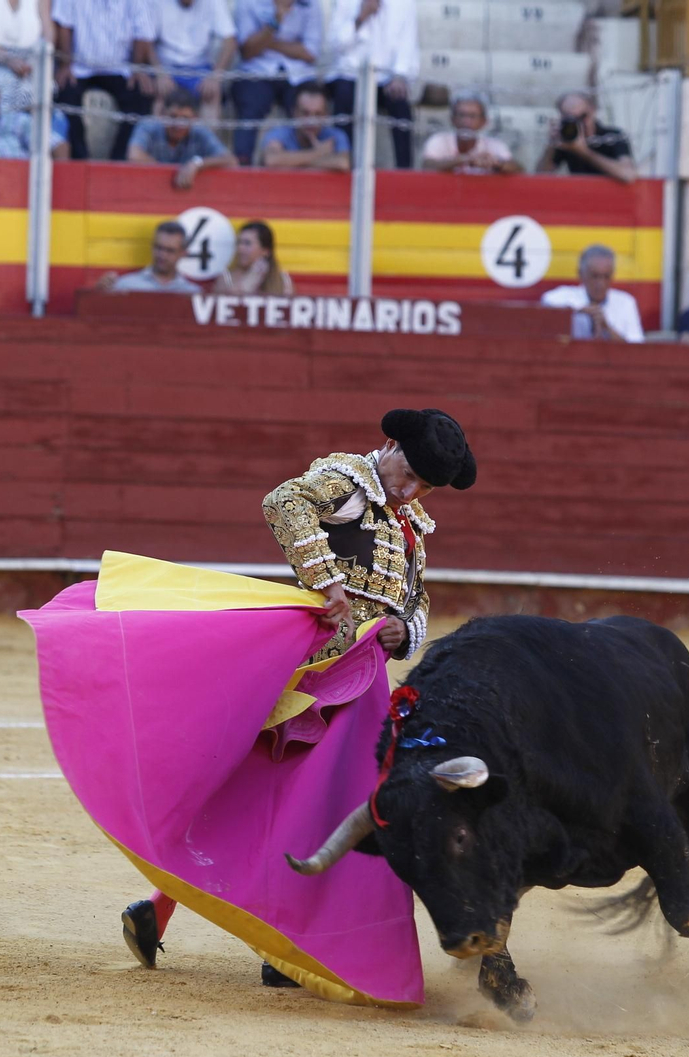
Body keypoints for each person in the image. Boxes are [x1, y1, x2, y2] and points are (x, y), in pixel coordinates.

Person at [118, 407, 477, 985]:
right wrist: (328, 581)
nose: (409, 491)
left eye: (424, 486)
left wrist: (402, 629)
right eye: (407, 474)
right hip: (310, 670)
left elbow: (417, 600)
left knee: (323, 802)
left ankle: (264, 942)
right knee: (276, 791)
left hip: (363, 681)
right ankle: (168, 913)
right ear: (388, 445)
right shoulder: (347, 482)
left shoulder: (411, 527)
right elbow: (282, 501)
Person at [52, 0, 158, 161]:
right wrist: (65, 64)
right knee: (64, 91)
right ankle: (80, 158)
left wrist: (137, 67)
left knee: (140, 94)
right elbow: (64, 26)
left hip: (119, 67)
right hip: (80, 67)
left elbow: (142, 31)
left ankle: (119, 159)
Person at [325, 0, 418, 169]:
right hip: (349, 74)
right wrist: (361, 17)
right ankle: (344, 165)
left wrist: (399, 75)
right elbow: (336, 45)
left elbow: (408, 43)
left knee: (400, 104)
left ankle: (405, 171)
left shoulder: (405, 3)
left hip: (387, 78)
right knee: (343, 96)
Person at [231, 0, 323, 165]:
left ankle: (314, 165)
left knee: (312, 106)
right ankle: (241, 166)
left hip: (298, 73)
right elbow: (247, 51)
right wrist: (275, 22)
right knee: (250, 106)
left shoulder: (311, 3)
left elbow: (310, 53)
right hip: (257, 71)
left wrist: (266, 42)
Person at [126, 88, 235, 190]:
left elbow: (230, 161)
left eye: (185, 118)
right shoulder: (149, 125)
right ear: (163, 114)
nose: (178, 124)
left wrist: (197, 164)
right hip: (148, 189)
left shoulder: (199, 131)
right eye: (173, 116)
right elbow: (134, 156)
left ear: (194, 119)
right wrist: (168, 175)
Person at [153, 0, 237, 127]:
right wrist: (159, 73)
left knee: (212, 93)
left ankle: (207, 145)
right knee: (161, 94)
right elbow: (145, 40)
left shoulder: (214, 3)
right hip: (166, 67)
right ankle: (157, 145)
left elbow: (230, 42)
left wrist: (216, 76)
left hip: (200, 68)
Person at [541, 245, 644, 343]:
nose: (601, 284)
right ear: (580, 274)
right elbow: (547, 302)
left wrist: (606, 328)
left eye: (606, 276)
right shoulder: (565, 296)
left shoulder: (625, 303)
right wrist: (579, 311)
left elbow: (635, 350)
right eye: (594, 276)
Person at [0, 0, 53, 111]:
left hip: (32, 61)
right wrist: (8, 59)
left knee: (43, 88)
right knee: (4, 86)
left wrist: (36, 61)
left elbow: (48, 35)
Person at [536, 91, 635, 184]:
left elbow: (628, 174)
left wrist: (583, 151)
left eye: (583, 116)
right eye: (572, 119)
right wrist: (551, 145)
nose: (580, 123)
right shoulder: (566, 139)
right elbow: (540, 176)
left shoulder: (612, 135)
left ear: (593, 110)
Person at [420, 90, 520, 175]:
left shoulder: (495, 145)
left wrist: (497, 163)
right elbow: (427, 167)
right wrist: (465, 159)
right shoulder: (439, 140)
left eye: (472, 116)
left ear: (484, 121)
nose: (466, 121)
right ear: (452, 119)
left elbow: (519, 170)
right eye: (462, 115)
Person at [260, 83, 349, 170]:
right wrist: (318, 153)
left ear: (326, 115)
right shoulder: (279, 133)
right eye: (305, 113)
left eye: (318, 114)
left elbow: (343, 163)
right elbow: (271, 160)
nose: (311, 121)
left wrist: (292, 162)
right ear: (294, 112)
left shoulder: (335, 136)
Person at [96, 220, 200, 293]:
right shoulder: (124, 286)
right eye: (158, 248)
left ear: (183, 253)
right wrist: (100, 293)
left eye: (170, 251)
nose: (162, 255)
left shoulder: (192, 293)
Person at [214, 220, 293, 295]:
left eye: (247, 243)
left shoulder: (282, 279)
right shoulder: (226, 278)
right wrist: (248, 282)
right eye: (239, 242)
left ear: (265, 251)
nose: (240, 248)